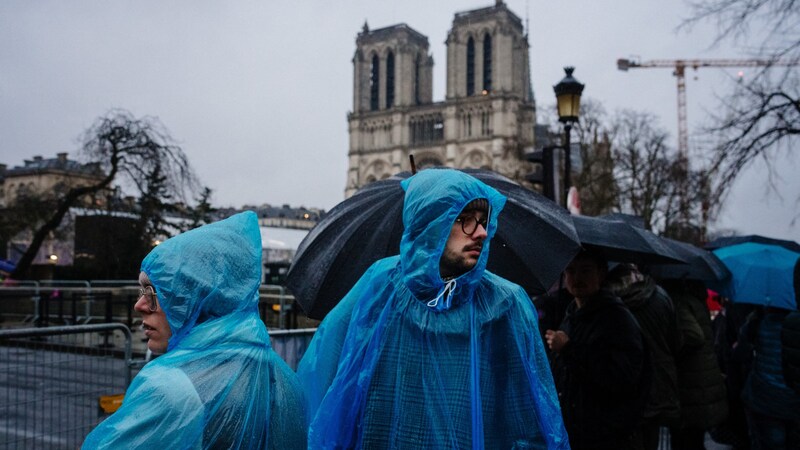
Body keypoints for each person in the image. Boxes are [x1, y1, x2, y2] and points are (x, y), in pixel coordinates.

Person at [296, 169, 569, 449]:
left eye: (483, 220)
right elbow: (331, 377)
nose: (482, 233)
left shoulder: (505, 304)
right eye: (464, 220)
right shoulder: (380, 286)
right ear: (430, 225)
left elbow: (529, 417)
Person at [82, 212, 306, 449]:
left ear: (192, 300)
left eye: (153, 293)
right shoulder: (287, 380)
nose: (140, 305)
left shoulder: (171, 389)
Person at [545, 251, 649, 450]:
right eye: (571, 271)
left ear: (601, 274)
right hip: (574, 431)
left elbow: (621, 377)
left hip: (603, 434)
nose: (577, 278)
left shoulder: (617, 319)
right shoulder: (571, 315)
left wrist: (568, 349)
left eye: (585, 271)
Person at [606, 263, 680, 450]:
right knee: (651, 438)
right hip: (658, 380)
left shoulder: (606, 300)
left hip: (623, 386)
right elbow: (676, 341)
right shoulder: (660, 295)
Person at [660, 279, 727, 450]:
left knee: (686, 438)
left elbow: (693, 336)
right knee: (694, 437)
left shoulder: (680, 302)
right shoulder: (696, 300)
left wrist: (674, 348)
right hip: (700, 379)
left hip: (690, 382)